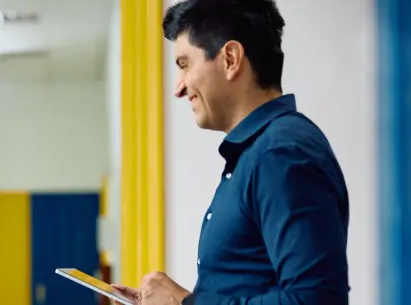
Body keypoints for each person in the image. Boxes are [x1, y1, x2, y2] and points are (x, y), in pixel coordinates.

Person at [112, 1, 350, 304]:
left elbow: (314, 299)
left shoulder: (279, 153)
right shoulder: (260, 152)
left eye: (185, 65)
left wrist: (186, 303)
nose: (179, 88)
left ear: (230, 59)